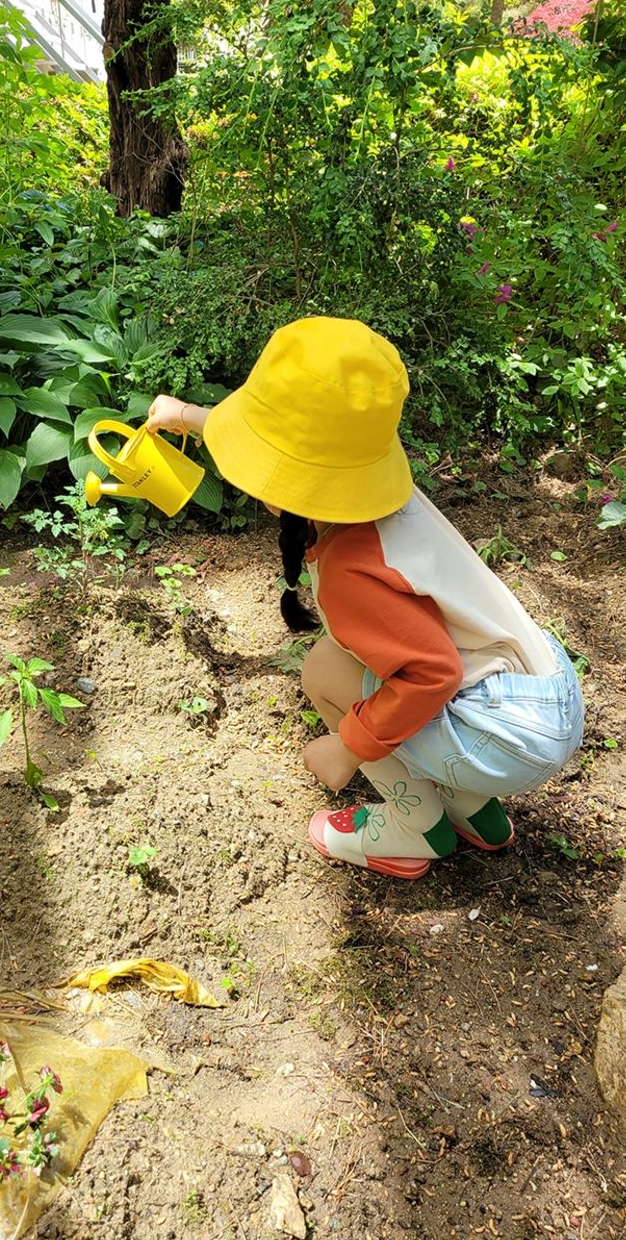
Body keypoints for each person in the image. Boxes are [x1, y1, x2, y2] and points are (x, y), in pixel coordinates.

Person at [146, 317, 584, 880]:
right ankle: (475, 811)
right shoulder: (374, 489)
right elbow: (298, 443)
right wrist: (186, 416)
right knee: (362, 657)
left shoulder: (351, 570)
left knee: (327, 669)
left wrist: (347, 748)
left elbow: (432, 674)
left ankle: (415, 828)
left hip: (511, 738)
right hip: (541, 690)